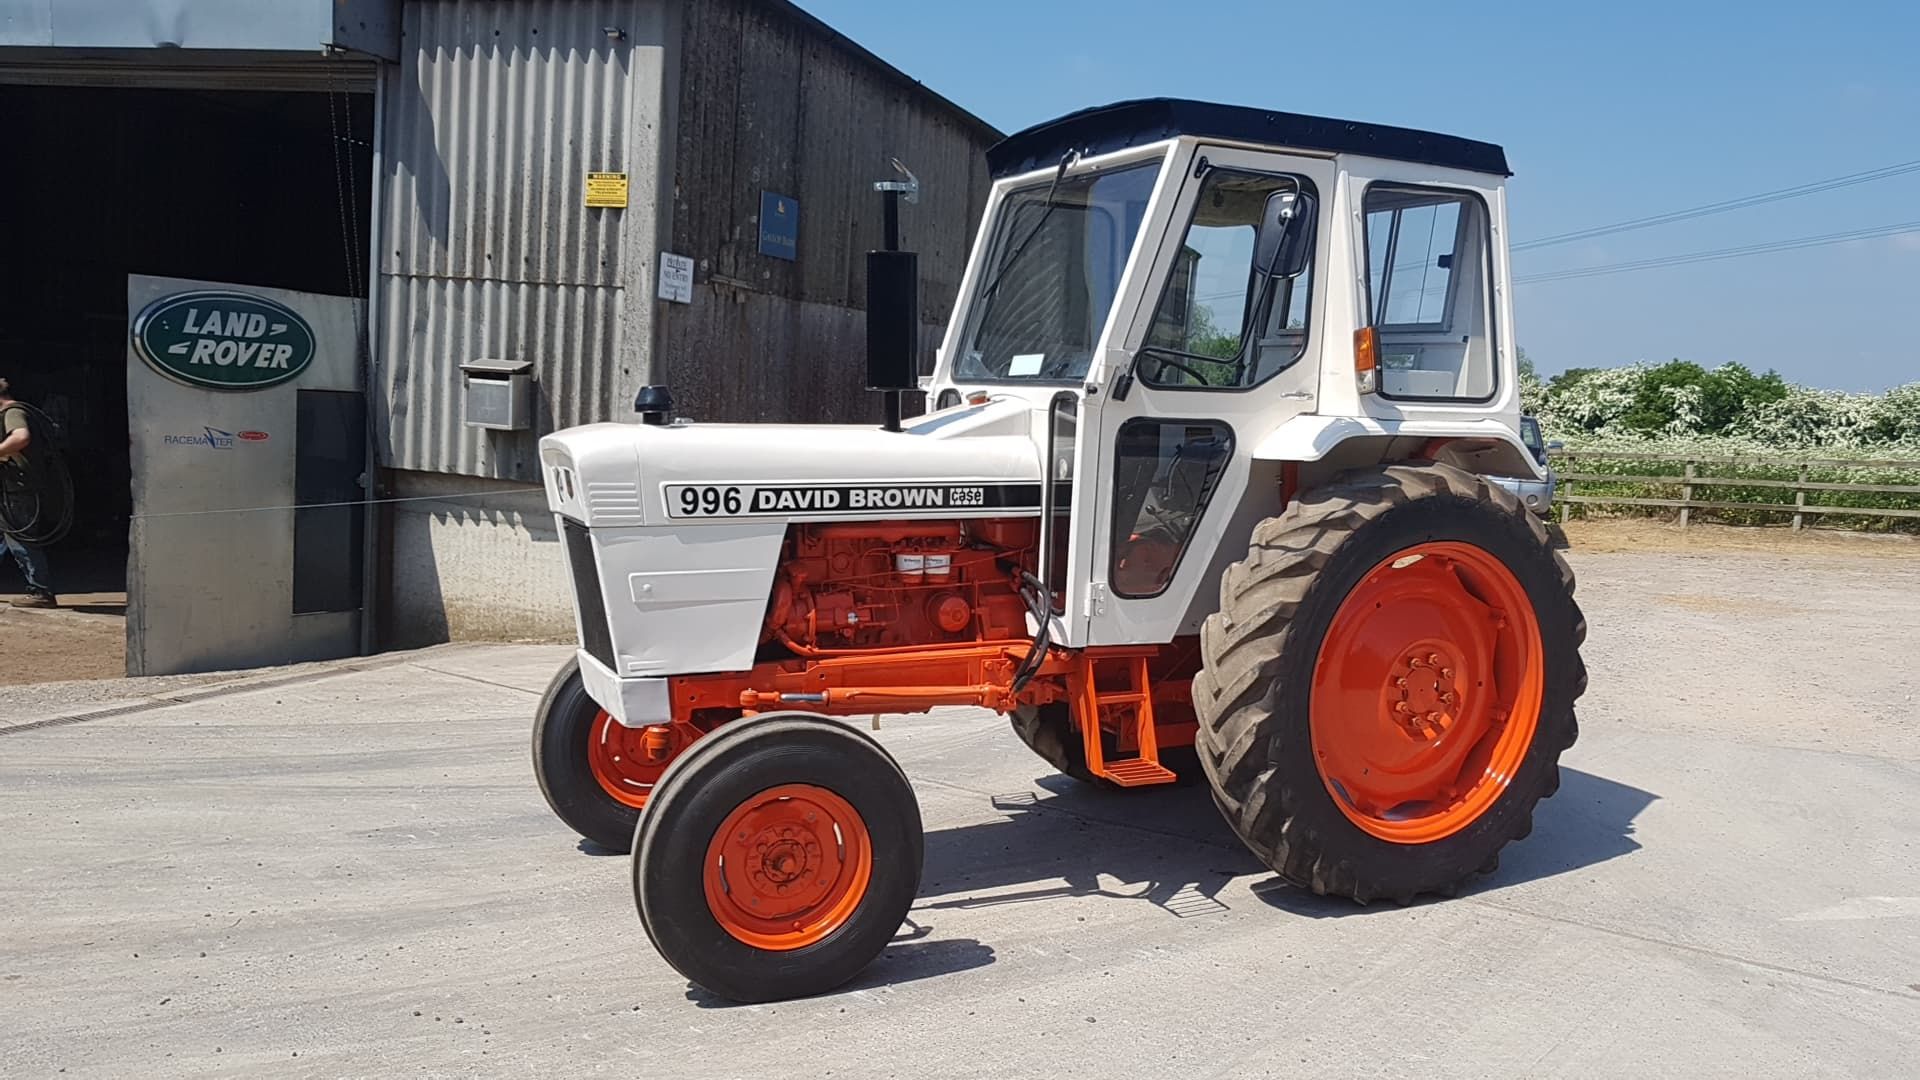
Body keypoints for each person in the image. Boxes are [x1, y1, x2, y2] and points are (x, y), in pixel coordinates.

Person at [0, 376, 57, 608]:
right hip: (12, 487)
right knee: (6, 536)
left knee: (21, 537)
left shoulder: (13, 411)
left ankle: (40, 591)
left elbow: (21, 437)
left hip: (18, 488)